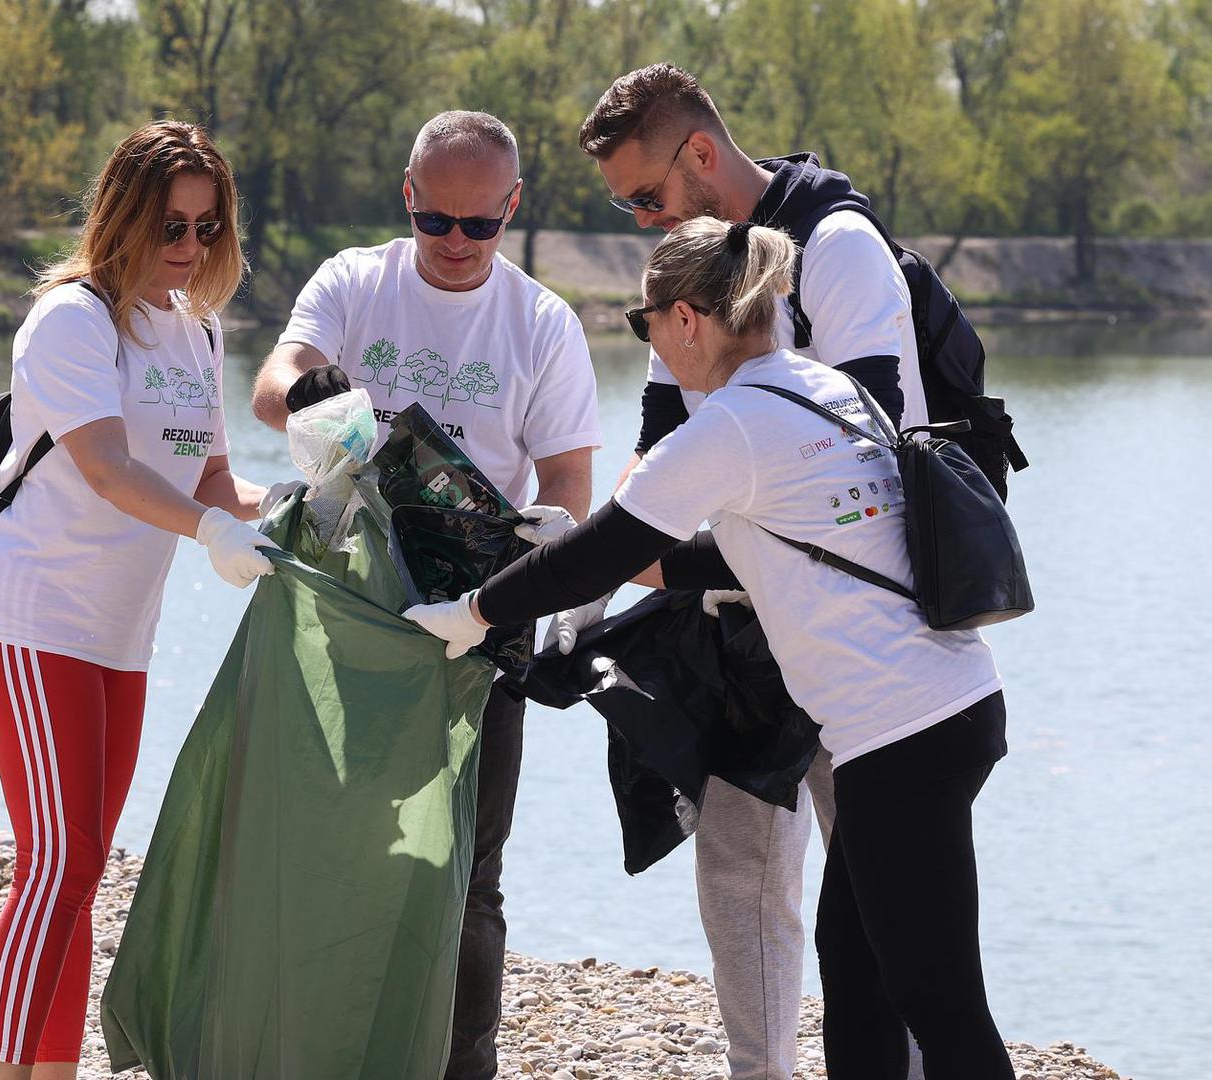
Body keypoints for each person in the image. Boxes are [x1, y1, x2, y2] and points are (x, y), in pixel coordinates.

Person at [406, 216, 1015, 1080]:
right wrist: (575, 547)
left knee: (940, 1005)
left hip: (898, 738)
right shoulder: (823, 387)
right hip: (952, 707)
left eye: (643, 324)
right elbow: (738, 553)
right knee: (861, 977)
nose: (650, 340)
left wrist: (471, 610)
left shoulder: (729, 426)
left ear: (684, 318)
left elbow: (601, 556)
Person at [561, 62, 929, 1080]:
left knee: (880, 906)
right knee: (738, 874)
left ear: (700, 154)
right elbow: (652, 449)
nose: (639, 220)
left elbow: (875, 458)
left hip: (856, 630)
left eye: (645, 196)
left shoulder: (840, 250)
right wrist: (585, 583)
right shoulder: (684, 277)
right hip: (735, 622)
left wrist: (664, 566)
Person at [250, 110, 601, 1080]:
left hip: (479, 611)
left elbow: (568, 481)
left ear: (513, 210)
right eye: (435, 221)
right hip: (352, 593)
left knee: (465, 875)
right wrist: (359, 435)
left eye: (479, 227)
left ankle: (460, 1066)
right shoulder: (355, 281)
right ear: (407, 194)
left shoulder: (543, 323)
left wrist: (553, 531)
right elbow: (272, 382)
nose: (454, 244)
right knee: (336, 844)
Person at [0, 120, 278, 1080]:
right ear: (123, 217)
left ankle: (50, 1070)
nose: (186, 248)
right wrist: (210, 533)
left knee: (84, 866)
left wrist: (301, 502)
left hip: (118, 638)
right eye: (170, 226)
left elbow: (215, 481)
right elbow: (104, 466)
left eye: (205, 228)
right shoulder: (72, 317)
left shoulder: (197, 329)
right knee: (54, 865)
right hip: (33, 622)